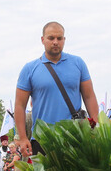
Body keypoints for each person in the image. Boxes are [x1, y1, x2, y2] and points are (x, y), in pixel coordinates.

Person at [14, 22, 99, 156]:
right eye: (51, 38)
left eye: (59, 38)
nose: (55, 42)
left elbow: (89, 97)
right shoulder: (29, 69)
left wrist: (96, 127)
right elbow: (19, 105)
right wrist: (23, 138)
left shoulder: (78, 63)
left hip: (74, 137)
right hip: (42, 140)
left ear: (64, 40)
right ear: (43, 40)